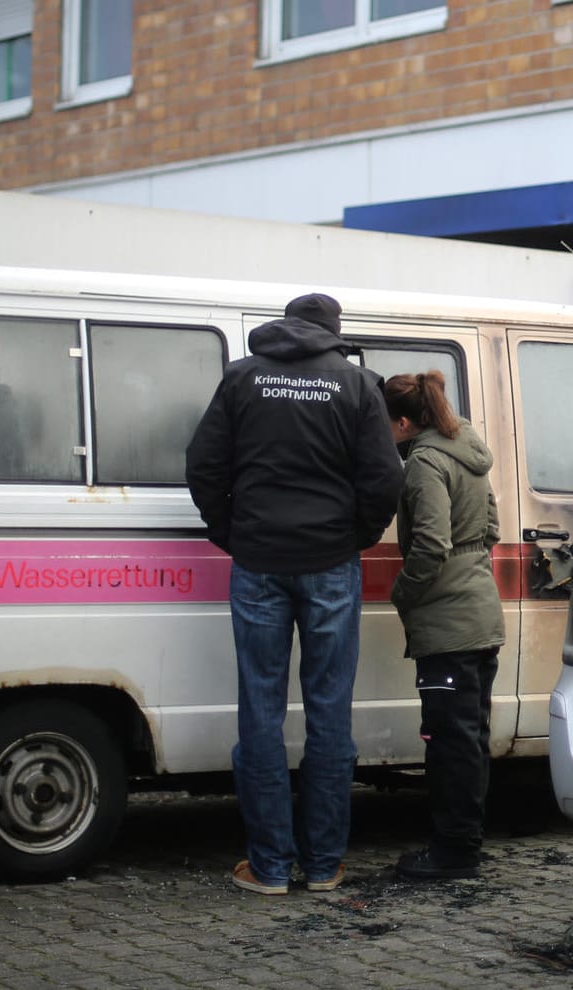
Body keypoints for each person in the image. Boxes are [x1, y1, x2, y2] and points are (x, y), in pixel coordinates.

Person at [185, 292, 402, 896]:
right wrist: (353, 536)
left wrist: (232, 532)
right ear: (334, 332)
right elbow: (385, 478)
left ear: (286, 326)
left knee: (260, 711)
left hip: (258, 562)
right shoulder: (357, 386)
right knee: (330, 711)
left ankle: (270, 867)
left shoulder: (241, 378)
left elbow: (202, 465)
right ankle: (325, 864)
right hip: (331, 563)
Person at [381, 370, 505, 881]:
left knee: (449, 743)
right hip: (481, 614)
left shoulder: (425, 464)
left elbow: (431, 543)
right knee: (470, 739)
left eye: (385, 425)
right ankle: (466, 844)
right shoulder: (468, 452)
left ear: (404, 421)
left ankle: (452, 855)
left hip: (447, 622)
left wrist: (403, 594)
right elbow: (492, 527)